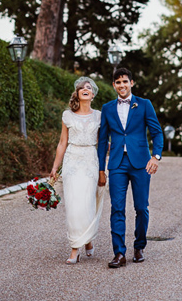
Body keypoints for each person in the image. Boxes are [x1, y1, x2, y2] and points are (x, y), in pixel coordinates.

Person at [97, 67, 163, 268]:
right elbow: (102, 141)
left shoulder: (144, 104)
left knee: (141, 208)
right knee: (117, 208)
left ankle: (139, 246)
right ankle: (119, 253)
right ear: (114, 85)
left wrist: (156, 157)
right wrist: (101, 169)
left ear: (131, 83)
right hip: (116, 163)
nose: (122, 85)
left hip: (141, 163)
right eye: (118, 82)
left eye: (125, 81)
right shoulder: (107, 108)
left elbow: (157, 133)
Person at [50, 77, 106, 264]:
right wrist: (55, 168)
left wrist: (102, 169)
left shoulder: (99, 115)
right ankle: (75, 248)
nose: (85, 89)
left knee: (88, 203)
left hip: (91, 160)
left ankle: (88, 239)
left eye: (88, 87)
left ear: (92, 95)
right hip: (72, 161)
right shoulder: (67, 115)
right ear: (77, 93)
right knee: (74, 206)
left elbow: (103, 143)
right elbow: (62, 142)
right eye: (81, 87)